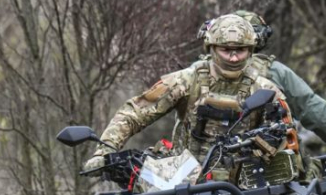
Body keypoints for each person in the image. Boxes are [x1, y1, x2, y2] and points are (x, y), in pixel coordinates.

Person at [84, 15, 291, 181]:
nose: (234, 57)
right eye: (227, 50)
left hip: (242, 183)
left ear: (251, 50)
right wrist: (104, 151)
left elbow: (287, 139)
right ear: (211, 48)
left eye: (241, 50)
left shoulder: (265, 89)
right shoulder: (186, 80)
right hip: (181, 177)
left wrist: (264, 146)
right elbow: (134, 113)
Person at [197, 10, 326, 156]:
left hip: (201, 163)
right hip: (259, 166)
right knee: (308, 171)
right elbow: (309, 106)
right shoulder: (274, 71)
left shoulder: (197, 71)